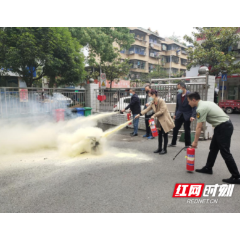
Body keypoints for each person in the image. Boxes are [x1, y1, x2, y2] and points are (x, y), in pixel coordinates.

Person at [188, 92, 240, 184]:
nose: (189, 103)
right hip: (222, 126)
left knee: (225, 152)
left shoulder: (200, 108)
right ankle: (208, 168)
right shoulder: (206, 103)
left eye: (189, 101)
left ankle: (236, 177)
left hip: (223, 127)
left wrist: (195, 142)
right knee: (213, 149)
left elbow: (199, 127)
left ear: (193, 100)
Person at [135, 89, 175, 155]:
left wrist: (154, 115)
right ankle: (159, 148)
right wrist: (139, 114)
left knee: (165, 135)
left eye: (150, 96)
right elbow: (147, 109)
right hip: (159, 120)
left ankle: (164, 149)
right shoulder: (153, 102)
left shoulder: (161, 101)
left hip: (165, 120)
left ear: (154, 95)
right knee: (159, 135)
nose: (149, 97)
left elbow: (162, 110)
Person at [168, 82, 196, 149]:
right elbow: (177, 106)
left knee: (187, 130)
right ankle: (173, 142)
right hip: (179, 114)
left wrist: (193, 116)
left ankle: (187, 144)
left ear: (183, 87)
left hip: (187, 114)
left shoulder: (190, 95)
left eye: (179, 88)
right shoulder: (178, 95)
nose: (178, 90)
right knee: (175, 128)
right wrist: (175, 114)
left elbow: (194, 107)